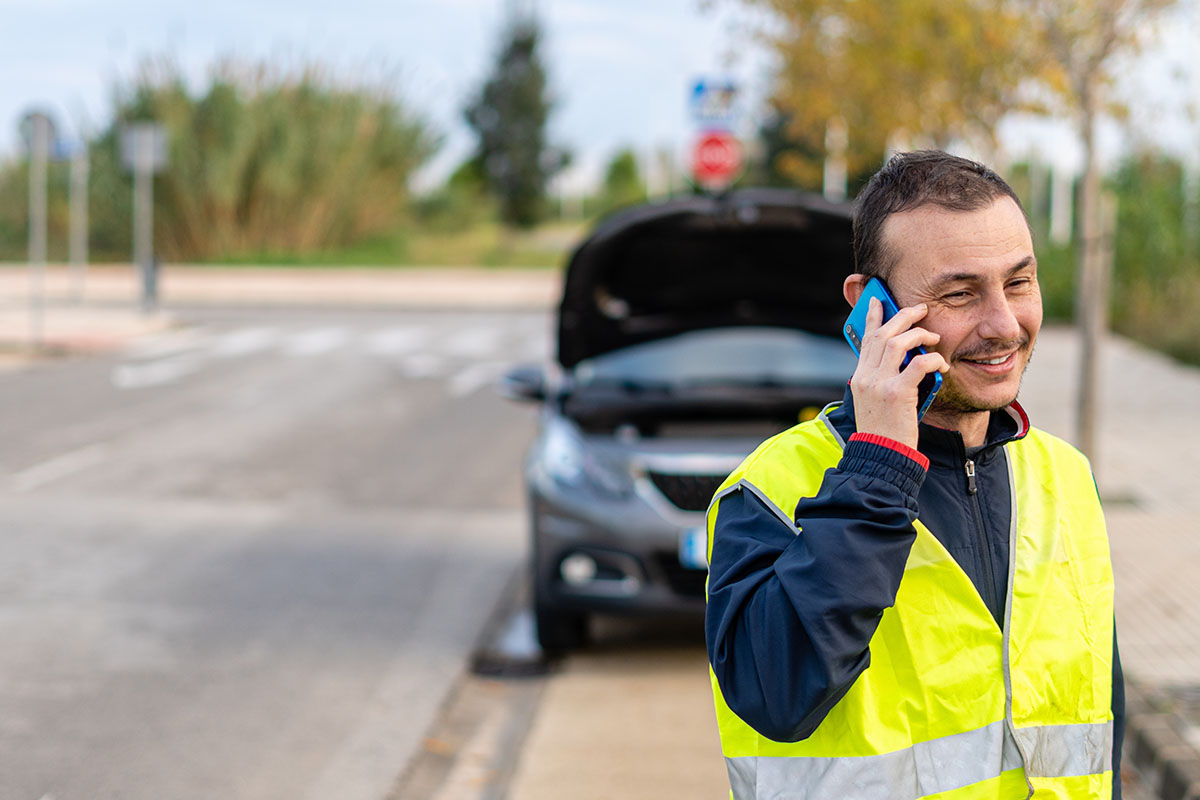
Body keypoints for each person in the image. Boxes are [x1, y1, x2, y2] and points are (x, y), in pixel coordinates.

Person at [705, 150, 1123, 799]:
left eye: (1019, 282)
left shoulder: (1066, 477)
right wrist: (879, 466)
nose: (1005, 324)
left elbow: (1100, 724)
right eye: (960, 293)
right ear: (870, 306)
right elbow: (775, 695)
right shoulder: (769, 490)